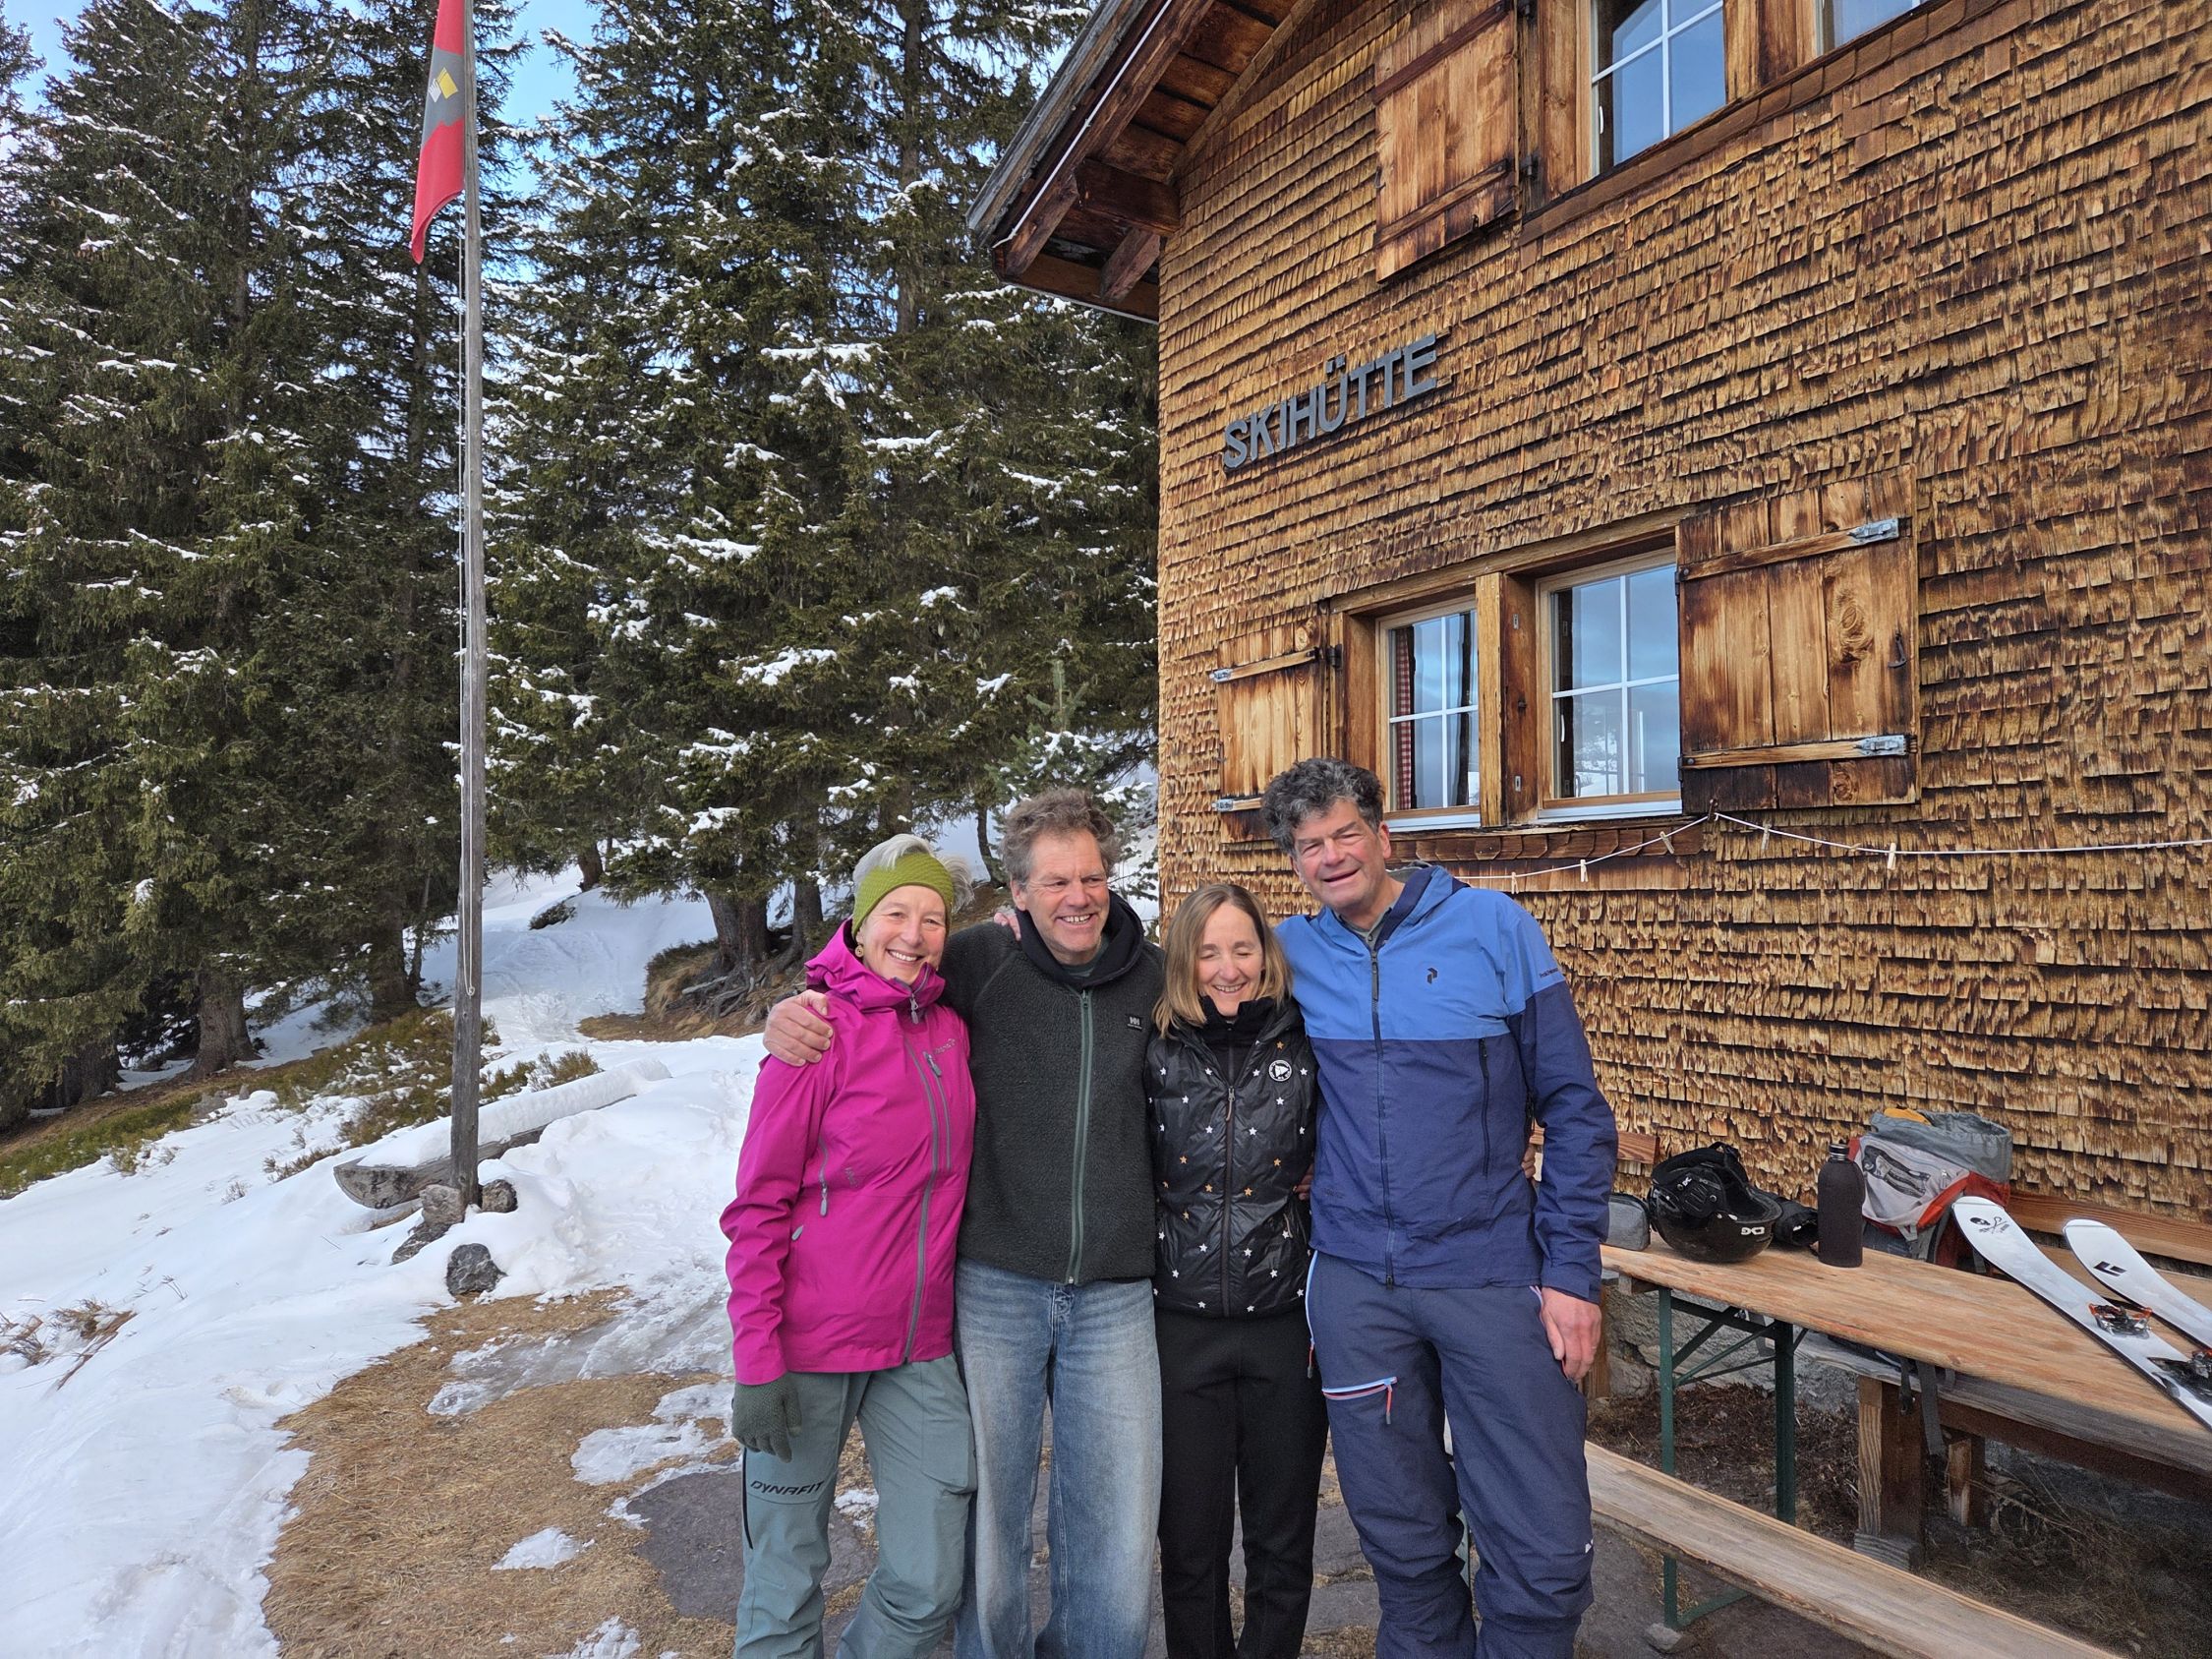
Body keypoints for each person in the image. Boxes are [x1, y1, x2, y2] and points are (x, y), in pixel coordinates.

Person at [765, 790, 1164, 1659]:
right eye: (1054, 880)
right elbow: (874, 975)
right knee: (988, 1520)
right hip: (995, 1282)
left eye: (1092, 876)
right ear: (1017, 892)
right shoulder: (978, 960)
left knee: (1119, 1523)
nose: (1077, 896)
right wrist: (793, 1008)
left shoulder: (1154, 976)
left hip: (1115, 1289)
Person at [1259, 758, 1616, 1659]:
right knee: (1404, 1543)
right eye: (1309, 844)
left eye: (1346, 833)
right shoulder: (1290, 954)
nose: (1331, 856)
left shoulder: (1493, 928)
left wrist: (1572, 1273)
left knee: (1541, 1548)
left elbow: (1575, 1109)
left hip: (1490, 1272)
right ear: (1294, 861)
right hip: (1356, 1288)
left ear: (1384, 835)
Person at [722, 833, 979, 1659]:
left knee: (930, 1577)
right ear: (860, 925)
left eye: (933, 917)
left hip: (917, 1347)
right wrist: (757, 1361)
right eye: (896, 912)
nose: (914, 933)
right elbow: (757, 1207)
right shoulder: (815, 1035)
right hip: (808, 1348)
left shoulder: (950, 1028)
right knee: (785, 1574)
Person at [1147, 882, 1328, 1659]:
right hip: (1180, 1324)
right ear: (1184, 960)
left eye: (1243, 948)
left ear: (1266, 954)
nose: (1228, 968)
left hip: (1284, 1320)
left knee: (1281, 1540)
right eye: (1208, 951)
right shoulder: (1152, 1044)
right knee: (1190, 1545)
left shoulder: (1307, 1039)